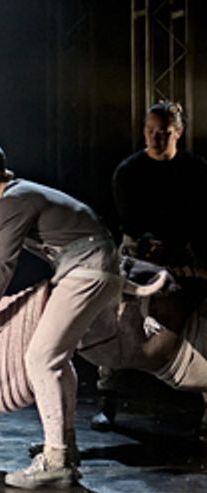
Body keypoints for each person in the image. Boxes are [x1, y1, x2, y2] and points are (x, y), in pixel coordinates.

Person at [0, 142, 121, 489]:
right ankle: (65, 450)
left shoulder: (12, 200)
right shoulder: (20, 195)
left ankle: (55, 459)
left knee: (41, 358)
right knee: (57, 358)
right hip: (93, 266)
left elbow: (2, 266)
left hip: (88, 269)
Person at [98, 101, 207, 427]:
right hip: (138, 249)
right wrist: (147, 242)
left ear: (178, 133)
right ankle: (107, 400)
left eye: (163, 133)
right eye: (150, 132)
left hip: (180, 250)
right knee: (118, 315)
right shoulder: (129, 170)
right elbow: (127, 216)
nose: (156, 139)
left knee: (199, 318)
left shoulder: (196, 168)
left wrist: (182, 250)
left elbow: (201, 214)